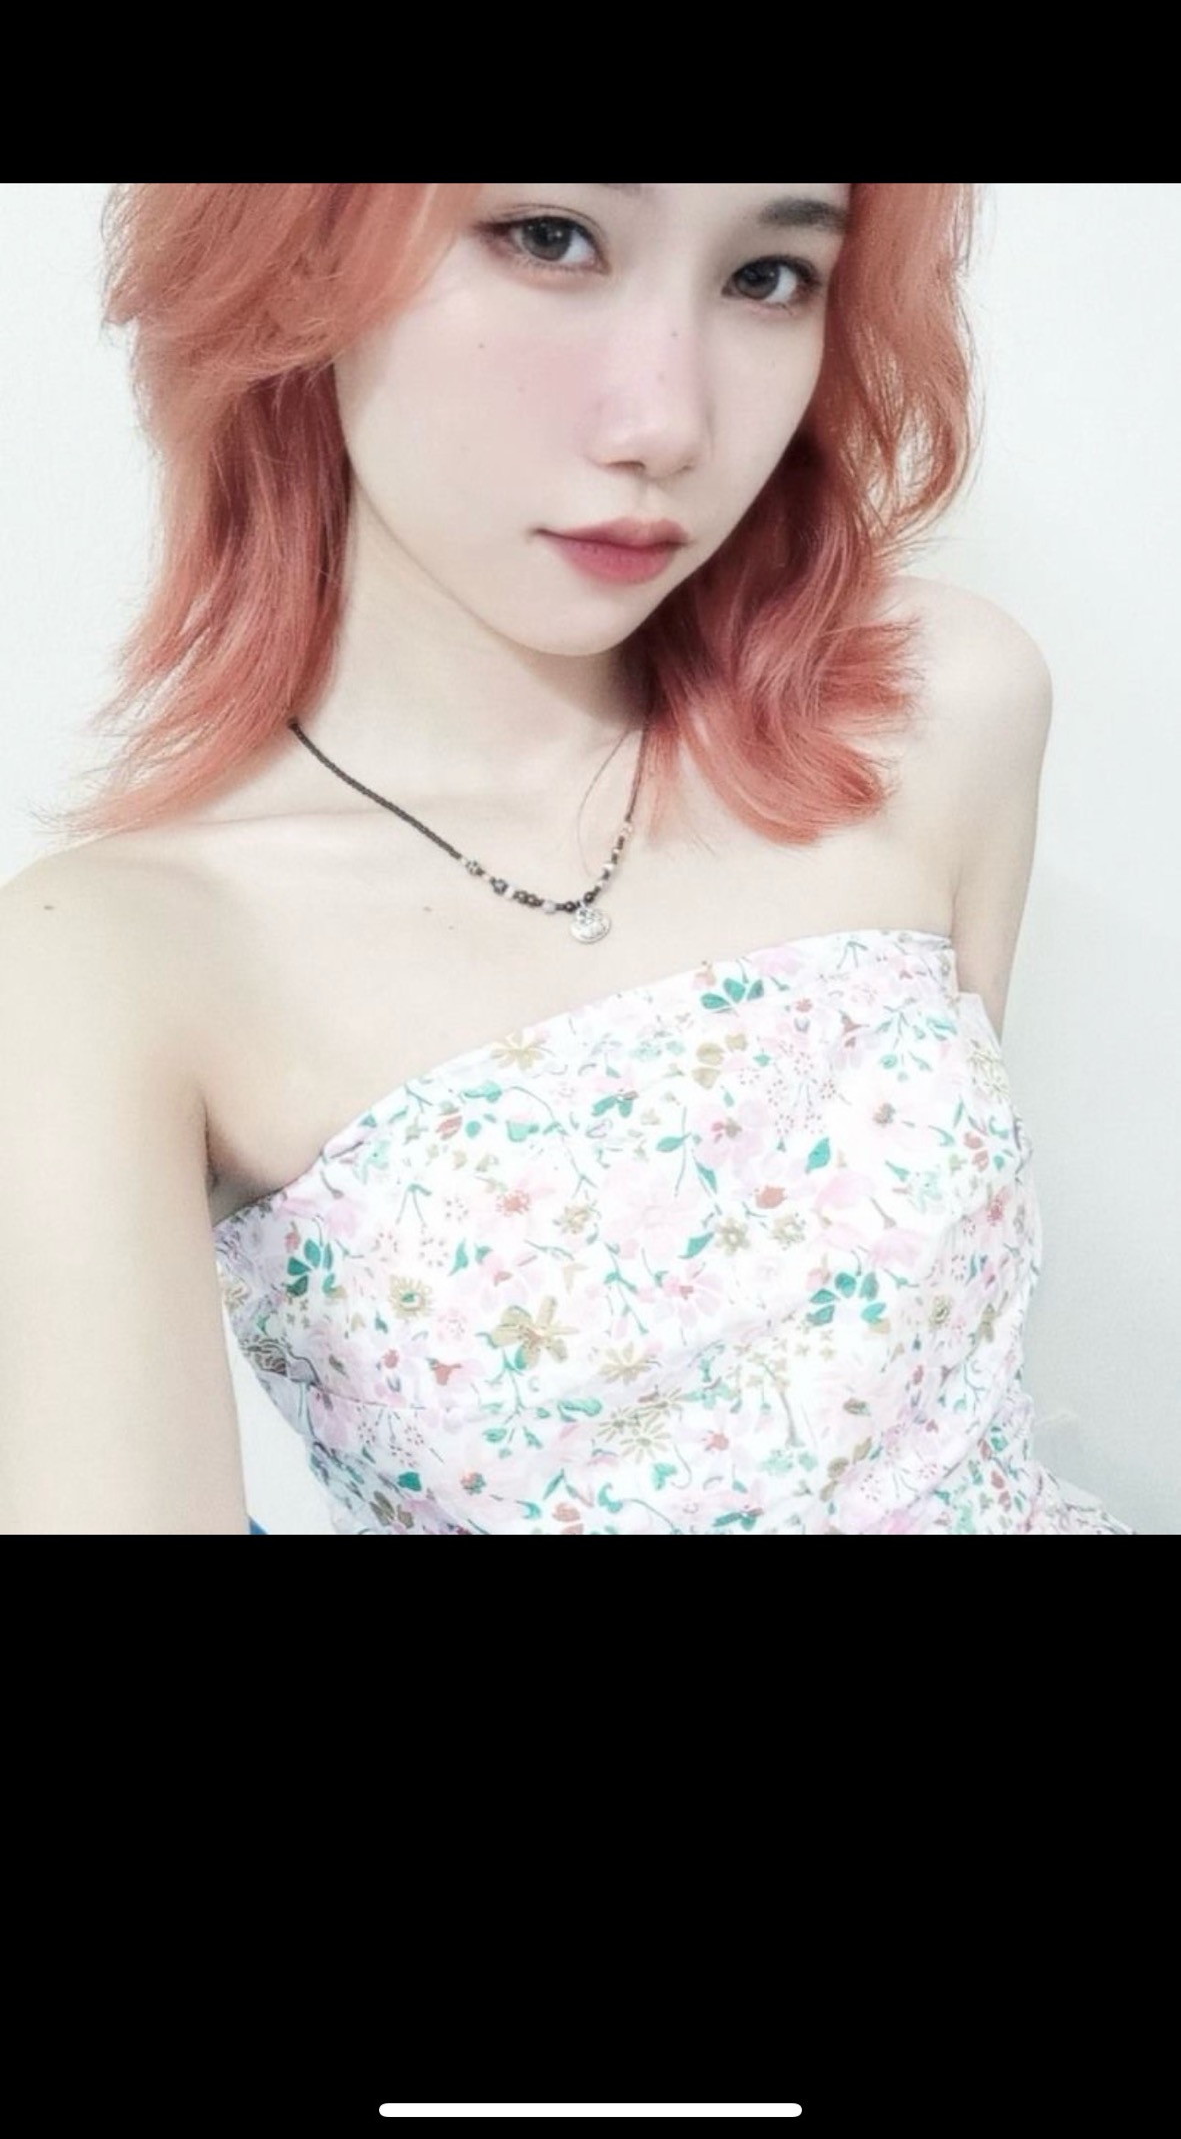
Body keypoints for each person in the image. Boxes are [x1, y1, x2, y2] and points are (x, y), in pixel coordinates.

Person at [3, 183, 1134, 1533]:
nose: (666, 423)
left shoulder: (940, 710)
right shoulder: (116, 962)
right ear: (299, 260)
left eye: (767, 276)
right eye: (549, 238)